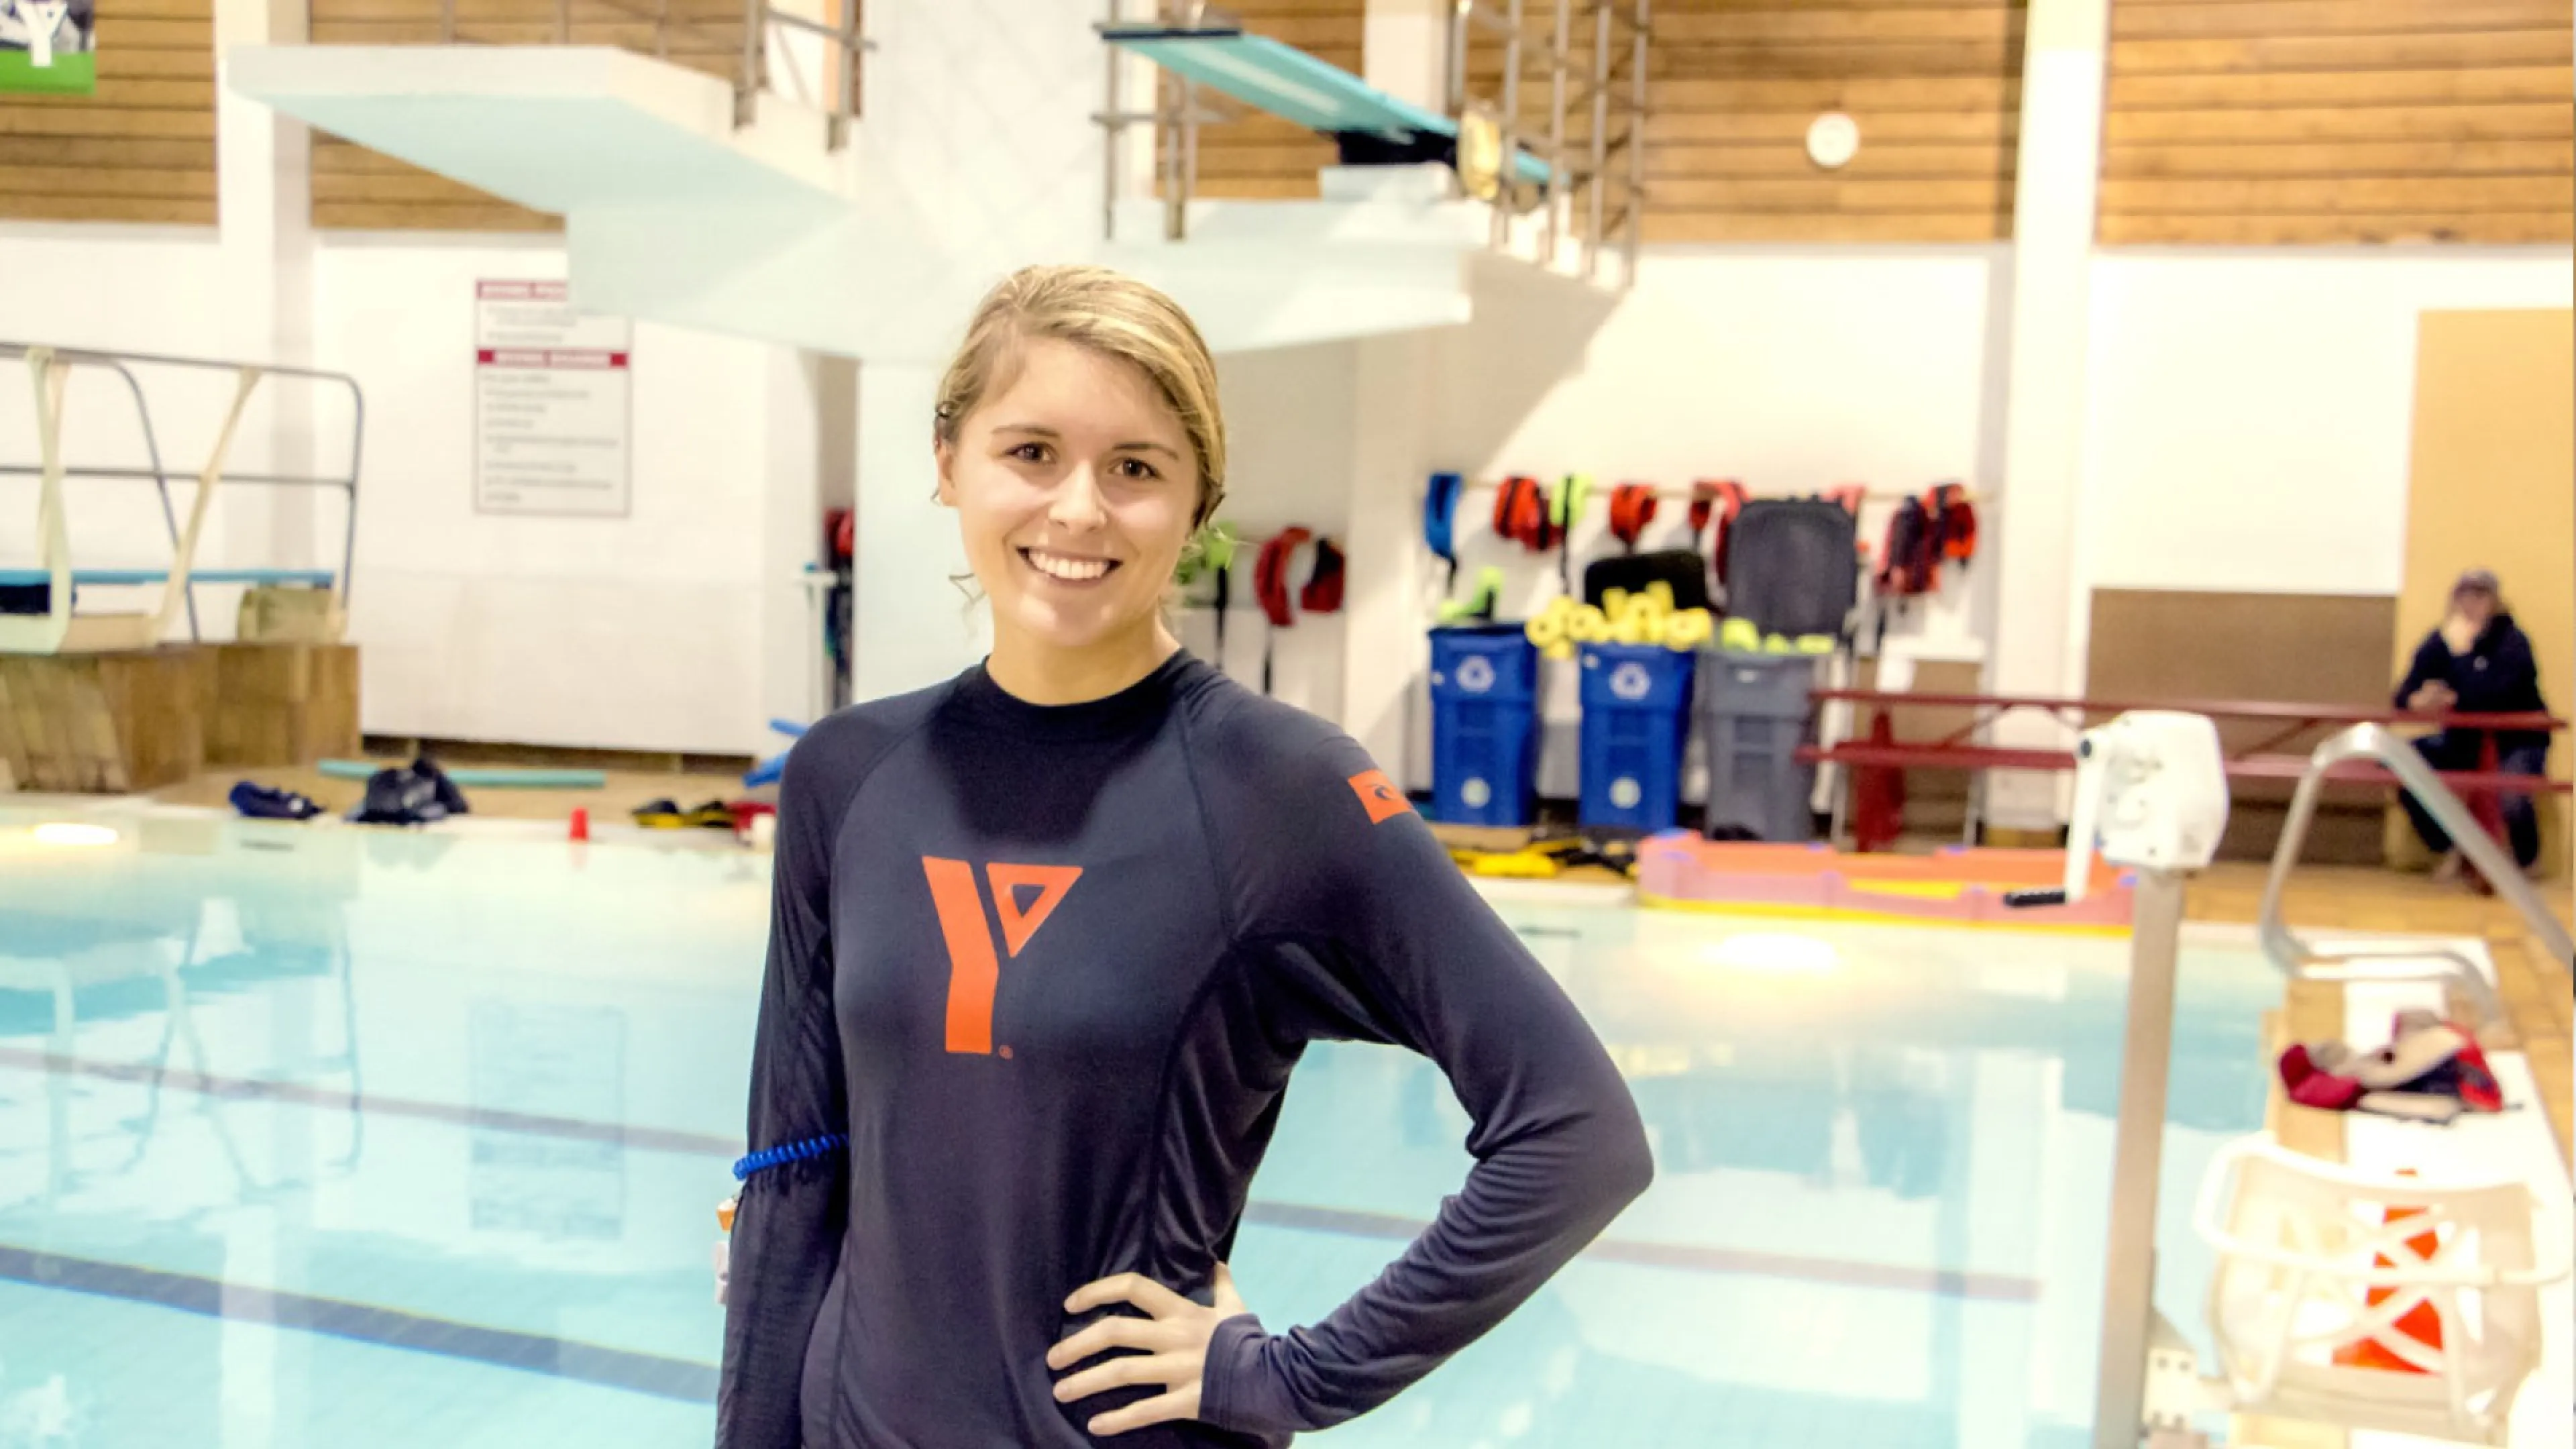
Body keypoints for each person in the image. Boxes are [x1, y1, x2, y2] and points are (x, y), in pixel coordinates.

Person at [718, 264, 1652, 1449]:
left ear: (1200, 501)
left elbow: (1576, 1132)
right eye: (1032, 452)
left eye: (1136, 468)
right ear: (949, 460)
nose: (1078, 510)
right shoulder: (849, 778)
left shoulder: (1279, 790)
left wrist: (1295, 1377)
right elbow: (796, 1166)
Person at [2392, 567, 2552, 873]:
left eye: (2480, 595)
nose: (2470, 603)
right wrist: (2418, 700)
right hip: (2462, 738)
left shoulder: (2512, 641)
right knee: (2400, 764)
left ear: (2495, 601)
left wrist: (2462, 661)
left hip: (2517, 739)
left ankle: (2526, 861)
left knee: (2513, 796)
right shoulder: (2442, 640)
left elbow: (2495, 696)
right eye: (2463, 595)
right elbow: (2404, 693)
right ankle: (2452, 846)